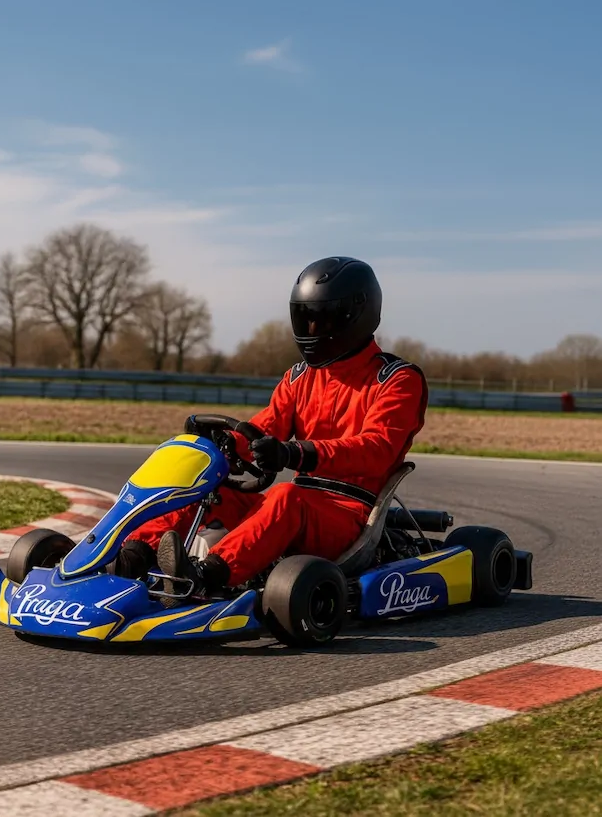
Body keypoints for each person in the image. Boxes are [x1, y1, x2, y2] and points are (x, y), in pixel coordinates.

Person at [109, 256, 429, 606]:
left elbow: (376, 448)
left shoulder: (397, 379)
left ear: (353, 316)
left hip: (349, 516)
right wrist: (227, 444)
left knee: (285, 497)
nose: (310, 329)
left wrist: (295, 453)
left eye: (319, 319)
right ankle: (132, 557)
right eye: (304, 317)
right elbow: (265, 426)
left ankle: (204, 575)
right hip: (300, 507)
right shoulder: (300, 377)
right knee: (204, 486)